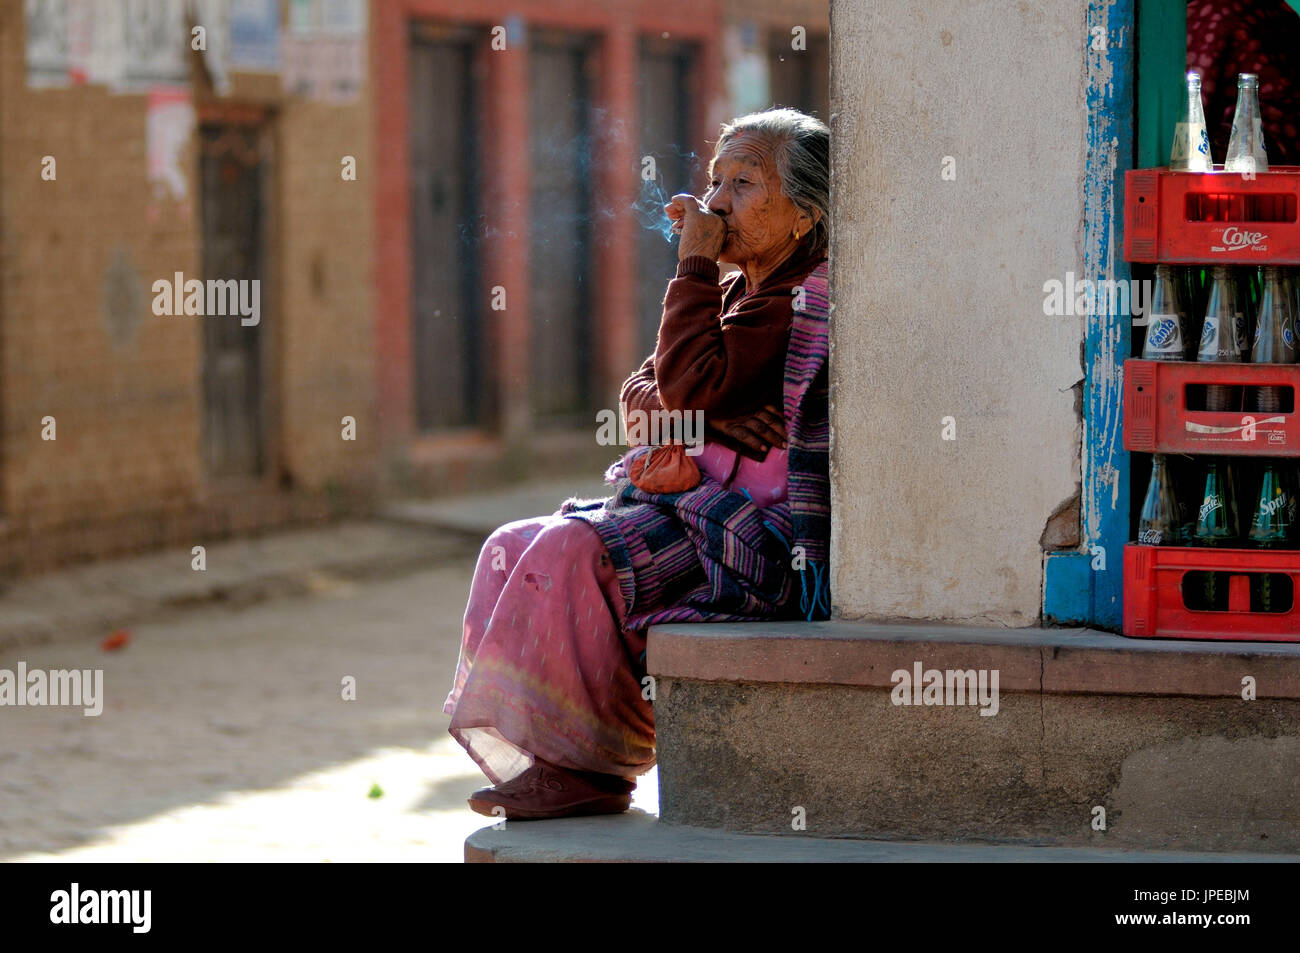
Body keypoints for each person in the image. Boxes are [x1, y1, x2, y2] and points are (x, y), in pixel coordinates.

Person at [443, 107, 831, 820]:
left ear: (803, 216)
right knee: (506, 547)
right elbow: (642, 395)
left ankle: (591, 763)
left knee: (570, 550)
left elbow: (680, 387)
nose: (715, 203)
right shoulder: (740, 292)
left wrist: (691, 268)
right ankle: (555, 755)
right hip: (690, 506)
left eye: (744, 184)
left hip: (753, 541)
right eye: (716, 180)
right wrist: (704, 411)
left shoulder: (793, 300)